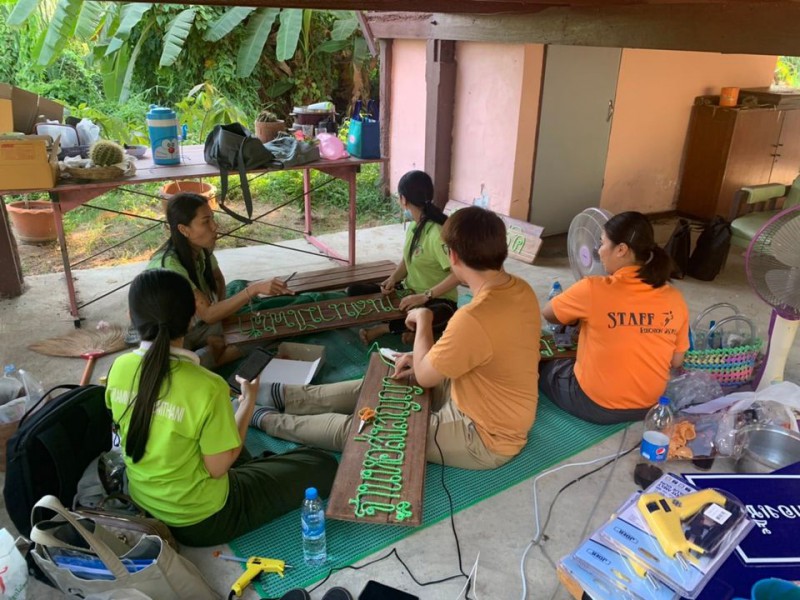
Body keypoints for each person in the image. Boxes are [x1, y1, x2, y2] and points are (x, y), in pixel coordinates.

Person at [253, 207, 541, 470]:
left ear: (452, 256)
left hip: (484, 436)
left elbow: (426, 376)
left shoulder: (472, 317)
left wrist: (424, 319)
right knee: (383, 383)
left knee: (365, 430)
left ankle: (268, 419)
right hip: (474, 394)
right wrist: (419, 357)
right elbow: (483, 350)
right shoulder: (522, 290)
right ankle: (285, 396)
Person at [106, 269, 337, 547]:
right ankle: (259, 470)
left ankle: (257, 470)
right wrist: (248, 402)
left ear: (131, 317)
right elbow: (218, 468)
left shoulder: (119, 368)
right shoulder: (206, 385)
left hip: (145, 501)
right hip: (203, 520)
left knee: (224, 442)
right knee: (320, 464)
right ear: (191, 318)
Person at [540, 211, 690, 425]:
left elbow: (549, 314)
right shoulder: (674, 297)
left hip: (596, 405)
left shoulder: (593, 288)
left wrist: (577, 318)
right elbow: (676, 361)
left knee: (544, 366)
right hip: (650, 405)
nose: (598, 251)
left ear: (621, 250)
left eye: (602, 243)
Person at [148, 192, 293, 367]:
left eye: (213, 218)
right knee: (180, 369)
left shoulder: (200, 248)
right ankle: (214, 355)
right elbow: (208, 315)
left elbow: (218, 278)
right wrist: (253, 289)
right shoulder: (170, 266)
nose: (215, 226)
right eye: (206, 221)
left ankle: (214, 349)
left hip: (196, 326)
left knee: (264, 330)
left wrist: (222, 312)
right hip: (169, 336)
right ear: (184, 229)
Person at [353, 170, 459, 345]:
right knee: (355, 291)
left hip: (436, 299)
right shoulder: (414, 227)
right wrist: (393, 279)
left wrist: (425, 296)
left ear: (403, 199)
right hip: (409, 292)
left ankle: (385, 328)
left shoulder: (436, 233)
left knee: (437, 314)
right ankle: (417, 330)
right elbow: (407, 260)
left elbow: (459, 275)